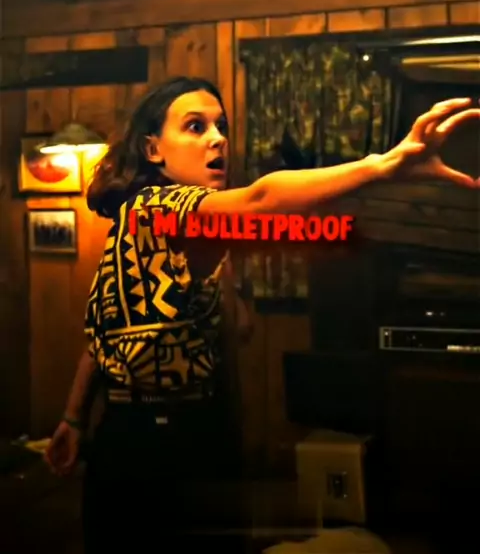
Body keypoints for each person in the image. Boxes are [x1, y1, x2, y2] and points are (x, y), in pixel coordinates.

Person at [44, 77, 478, 552]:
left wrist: (73, 418)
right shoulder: (153, 208)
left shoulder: (170, 228)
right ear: (153, 150)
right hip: (144, 441)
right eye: (195, 127)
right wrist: (383, 165)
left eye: (221, 127)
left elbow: (108, 334)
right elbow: (260, 198)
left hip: (186, 424)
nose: (217, 139)